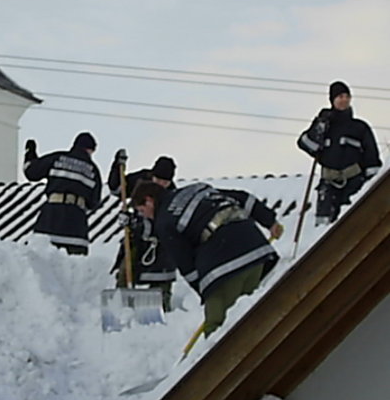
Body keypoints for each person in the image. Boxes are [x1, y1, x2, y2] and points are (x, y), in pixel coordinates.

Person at [131, 180, 283, 337]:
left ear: (149, 201)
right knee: (256, 314)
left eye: (142, 211)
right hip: (256, 250)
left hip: (223, 268)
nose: (145, 216)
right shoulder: (197, 188)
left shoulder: (164, 222)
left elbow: (185, 262)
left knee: (219, 333)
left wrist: (205, 291)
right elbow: (243, 198)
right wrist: (270, 221)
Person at [297, 81, 382, 225]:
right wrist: (318, 126)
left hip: (354, 184)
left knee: (353, 224)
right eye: (339, 97)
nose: (344, 100)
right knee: (324, 230)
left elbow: (371, 159)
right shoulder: (324, 126)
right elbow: (305, 144)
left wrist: (371, 186)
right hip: (328, 187)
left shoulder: (360, 128)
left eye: (346, 96)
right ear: (332, 100)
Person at [107, 151, 178, 311]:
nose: (161, 184)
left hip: (160, 245)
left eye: (165, 182)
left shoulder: (173, 196)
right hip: (136, 239)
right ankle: (121, 309)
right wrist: (117, 166)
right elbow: (117, 189)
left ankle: (163, 310)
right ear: (152, 174)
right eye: (158, 179)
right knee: (126, 271)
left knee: (162, 278)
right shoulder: (140, 180)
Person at [23, 131, 102, 255]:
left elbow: (30, 172)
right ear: (90, 150)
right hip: (76, 226)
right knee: (74, 267)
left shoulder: (57, 158)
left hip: (50, 220)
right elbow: (94, 202)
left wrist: (30, 153)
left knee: (40, 261)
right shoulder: (93, 170)